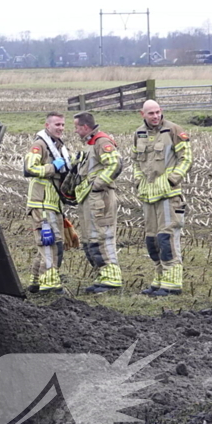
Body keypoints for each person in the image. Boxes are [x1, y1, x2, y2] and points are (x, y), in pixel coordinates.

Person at [133, 99, 192, 297]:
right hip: (148, 197)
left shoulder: (174, 130)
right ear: (143, 114)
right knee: (152, 240)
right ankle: (159, 279)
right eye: (151, 113)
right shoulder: (138, 134)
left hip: (169, 196)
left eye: (158, 112)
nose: (156, 116)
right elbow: (135, 162)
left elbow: (186, 158)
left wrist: (172, 180)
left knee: (167, 238)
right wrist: (138, 181)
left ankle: (173, 282)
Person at [72, 112, 123, 294]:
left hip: (100, 199)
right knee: (91, 239)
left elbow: (115, 163)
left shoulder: (101, 142)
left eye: (77, 127)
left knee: (102, 237)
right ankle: (104, 275)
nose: (75, 131)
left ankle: (112, 279)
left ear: (85, 127)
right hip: (91, 199)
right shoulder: (91, 144)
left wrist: (97, 185)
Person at [23, 112, 71, 294]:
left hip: (54, 204)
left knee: (47, 244)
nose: (60, 128)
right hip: (41, 203)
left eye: (62, 125)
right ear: (47, 125)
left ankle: (36, 282)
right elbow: (29, 169)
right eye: (57, 124)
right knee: (50, 244)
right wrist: (53, 167)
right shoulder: (40, 145)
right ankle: (50, 285)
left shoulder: (59, 147)